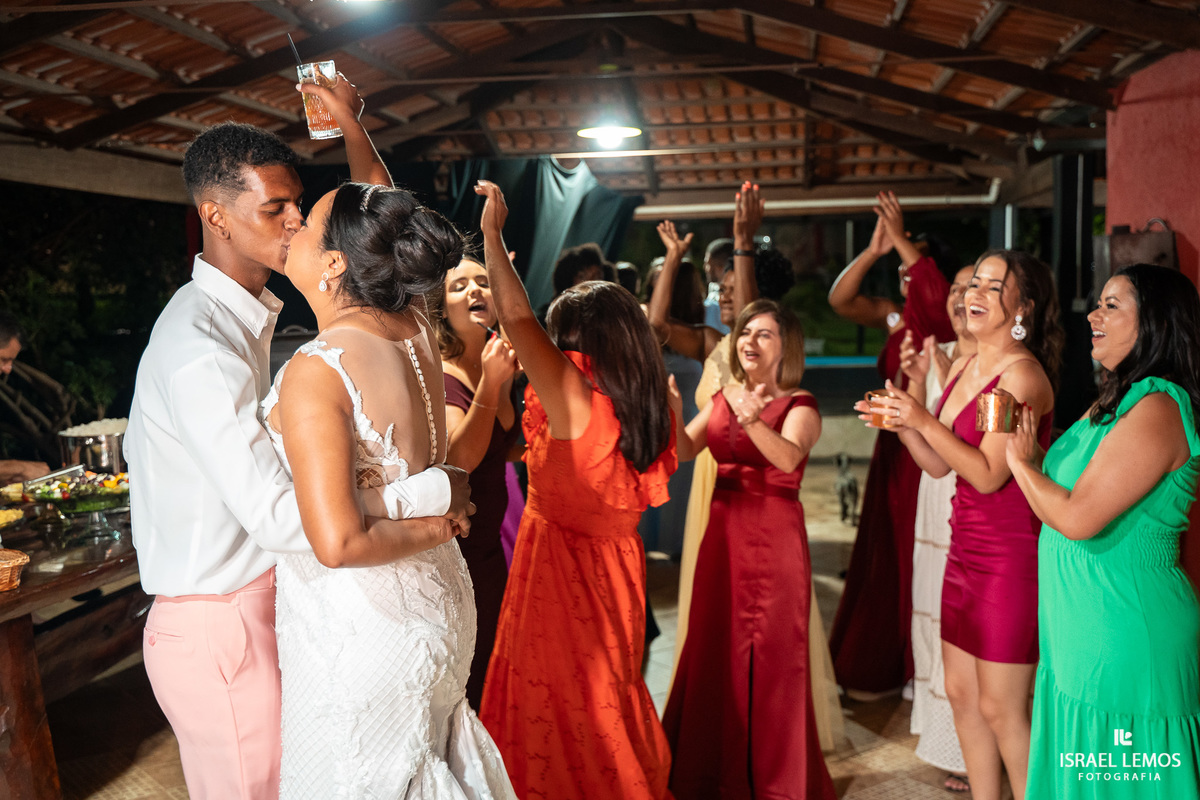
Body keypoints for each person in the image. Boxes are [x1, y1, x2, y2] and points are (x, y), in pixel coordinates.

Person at [125, 76, 469, 799]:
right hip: (222, 619)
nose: (291, 225)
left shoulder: (273, 322)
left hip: (285, 603)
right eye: (274, 209)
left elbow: (378, 231)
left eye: (298, 211)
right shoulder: (200, 347)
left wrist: (352, 127)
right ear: (216, 217)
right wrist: (427, 496)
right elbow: (289, 519)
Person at [263, 177, 515, 798]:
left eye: (308, 222)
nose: (293, 225)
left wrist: (438, 520)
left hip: (363, 626)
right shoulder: (417, 334)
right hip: (442, 604)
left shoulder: (316, 369)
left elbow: (339, 542)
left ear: (335, 262)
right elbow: (380, 206)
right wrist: (353, 129)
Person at [474, 180, 676, 799]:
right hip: (617, 578)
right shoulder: (644, 401)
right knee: (605, 707)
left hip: (563, 581)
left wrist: (491, 236)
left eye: (559, 340)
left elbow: (517, 319)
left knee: (566, 710)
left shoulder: (576, 397)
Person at [865, 249, 1062, 800]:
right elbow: (937, 464)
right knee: (961, 694)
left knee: (1002, 708)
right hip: (964, 552)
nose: (975, 294)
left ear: (1023, 307)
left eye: (993, 287)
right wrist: (902, 423)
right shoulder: (966, 365)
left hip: (1008, 560)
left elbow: (988, 474)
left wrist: (921, 417)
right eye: (975, 283)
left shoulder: (1017, 376)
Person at [1006, 264, 1200, 800]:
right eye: (1097, 302)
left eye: (1112, 305)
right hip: (1085, 627)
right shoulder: (1119, 397)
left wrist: (1019, 463)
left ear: (1158, 322)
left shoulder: (1158, 406)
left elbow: (1077, 518)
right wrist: (1033, 460)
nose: (1093, 315)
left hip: (1125, 631)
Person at [664, 299, 837, 799]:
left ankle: (777, 780)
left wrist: (753, 420)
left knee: (775, 657)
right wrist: (674, 411)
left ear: (787, 347)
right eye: (745, 332)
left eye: (764, 334)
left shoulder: (801, 404)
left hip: (776, 538)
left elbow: (788, 460)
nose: (749, 342)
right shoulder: (726, 395)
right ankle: (709, 772)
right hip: (723, 535)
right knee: (714, 645)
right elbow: (685, 450)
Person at [827, 191, 956, 697]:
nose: (906, 276)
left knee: (914, 551)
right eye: (901, 269)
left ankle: (918, 665)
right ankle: (887, 657)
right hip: (891, 450)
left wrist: (903, 239)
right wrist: (875, 250)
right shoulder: (892, 317)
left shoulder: (945, 320)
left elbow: (933, 295)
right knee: (885, 554)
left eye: (914, 266)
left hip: (927, 448)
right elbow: (840, 301)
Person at [431, 254, 521, 710]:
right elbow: (460, 461)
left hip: (490, 548)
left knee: (495, 672)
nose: (475, 291)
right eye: (459, 285)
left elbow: (503, 446)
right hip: (462, 550)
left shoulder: (494, 361)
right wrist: (491, 384)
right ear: (441, 308)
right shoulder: (444, 375)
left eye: (483, 282)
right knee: (473, 682)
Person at [899, 265, 976, 791]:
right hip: (934, 494)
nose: (961, 297)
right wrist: (911, 384)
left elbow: (972, 445)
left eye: (976, 287)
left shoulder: (1000, 367)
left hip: (972, 501)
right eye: (957, 288)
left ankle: (976, 755)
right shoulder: (939, 350)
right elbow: (927, 441)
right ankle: (944, 738)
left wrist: (944, 378)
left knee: (962, 626)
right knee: (929, 612)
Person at [702, 237, 734, 333]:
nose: (724, 298)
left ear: (720, 266)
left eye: (707, 263)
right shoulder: (710, 301)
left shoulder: (711, 307)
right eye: (722, 290)